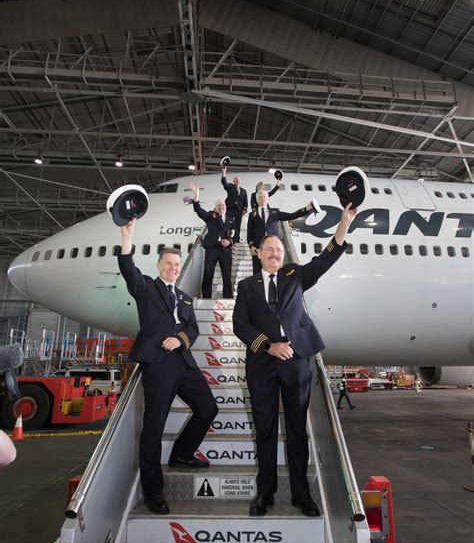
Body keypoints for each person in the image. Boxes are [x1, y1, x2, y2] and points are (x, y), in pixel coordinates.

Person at [233, 203, 357, 518]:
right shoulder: (246, 287)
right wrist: (268, 346)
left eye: (279, 250)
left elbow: (327, 256)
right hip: (263, 364)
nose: (275, 254)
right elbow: (240, 324)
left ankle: (302, 495)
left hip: (297, 360)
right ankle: (265, 493)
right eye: (269, 250)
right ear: (257, 253)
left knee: (297, 429)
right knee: (263, 429)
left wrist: (344, 222)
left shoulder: (295, 275)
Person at [118, 219, 218, 515]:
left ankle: (183, 454)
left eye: (177, 265)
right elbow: (128, 270)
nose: (174, 268)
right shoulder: (146, 288)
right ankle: (153, 491)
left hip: (184, 362)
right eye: (169, 264)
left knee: (208, 408)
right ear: (160, 265)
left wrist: (180, 339)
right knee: (154, 427)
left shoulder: (186, 297)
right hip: (158, 364)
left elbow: (193, 329)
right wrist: (127, 238)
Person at [247, 190, 313, 274]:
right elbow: (249, 234)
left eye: (264, 197)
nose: (262, 199)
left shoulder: (275, 213)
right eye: (260, 197)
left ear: (267, 199)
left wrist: (306, 208)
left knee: (274, 274)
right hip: (258, 250)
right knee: (257, 275)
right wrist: (251, 246)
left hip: (273, 250)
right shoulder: (252, 215)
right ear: (257, 200)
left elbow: (291, 215)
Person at [190, 182, 236, 299]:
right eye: (219, 206)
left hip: (225, 250)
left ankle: (228, 297)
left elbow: (236, 235)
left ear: (225, 207)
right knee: (208, 274)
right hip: (212, 248)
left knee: (227, 275)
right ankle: (206, 297)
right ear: (215, 208)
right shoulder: (211, 216)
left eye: (223, 205)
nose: (221, 207)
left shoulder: (231, 220)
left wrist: (230, 242)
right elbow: (199, 211)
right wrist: (197, 195)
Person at [221, 167, 248, 241]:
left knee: (237, 225)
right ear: (233, 181)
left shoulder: (243, 191)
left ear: (240, 181)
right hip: (230, 208)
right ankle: (225, 237)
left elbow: (245, 202)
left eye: (238, 180)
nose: (237, 181)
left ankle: (236, 238)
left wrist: (245, 209)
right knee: (227, 223)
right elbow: (224, 183)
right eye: (236, 180)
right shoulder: (230, 187)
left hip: (239, 210)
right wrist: (224, 173)